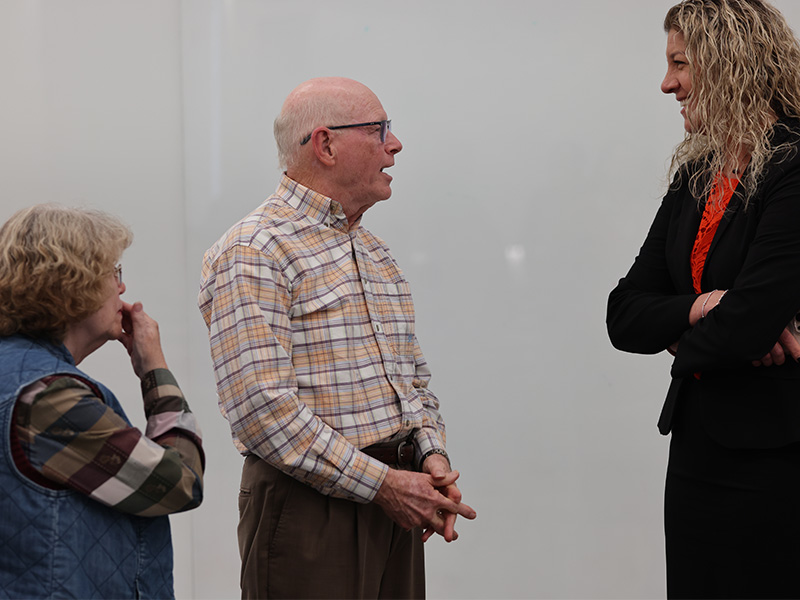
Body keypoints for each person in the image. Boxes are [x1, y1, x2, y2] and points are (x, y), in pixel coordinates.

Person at [198, 77, 476, 599]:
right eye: (379, 130)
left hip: (395, 499)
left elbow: (411, 381)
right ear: (325, 144)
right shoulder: (254, 250)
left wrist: (430, 455)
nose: (395, 144)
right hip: (310, 511)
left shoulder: (375, 253)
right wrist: (384, 484)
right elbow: (263, 413)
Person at [607, 1, 800, 597]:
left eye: (680, 63)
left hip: (778, 457)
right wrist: (701, 309)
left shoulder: (791, 164)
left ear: (729, 63)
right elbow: (624, 311)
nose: (667, 83)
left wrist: (692, 331)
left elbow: (749, 322)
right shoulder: (697, 172)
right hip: (698, 452)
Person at [0, 204, 204, 599]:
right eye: (114, 273)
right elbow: (178, 483)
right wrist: (154, 370)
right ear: (74, 282)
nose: (122, 288)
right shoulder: (49, 399)